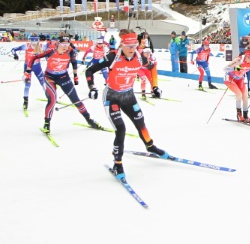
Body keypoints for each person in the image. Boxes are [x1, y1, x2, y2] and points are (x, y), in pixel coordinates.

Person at [85, 31, 169, 180]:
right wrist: (92, 87)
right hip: (112, 97)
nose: (132, 48)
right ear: (122, 45)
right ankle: (117, 163)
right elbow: (90, 70)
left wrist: (155, 87)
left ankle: (150, 147)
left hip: (128, 96)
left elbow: (152, 68)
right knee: (121, 129)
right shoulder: (112, 57)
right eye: (129, 45)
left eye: (134, 45)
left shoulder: (139, 57)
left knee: (140, 122)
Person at [30, 36, 101, 133]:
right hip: (49, 77)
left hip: (64, 77)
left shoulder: (70, 51)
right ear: (58, 44)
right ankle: (47, 123)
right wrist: (27, 71)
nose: (65, 46)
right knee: (52, 99)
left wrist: (75, 76)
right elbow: (34, 57)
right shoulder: (50, 51)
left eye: (67, 44)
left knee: (76, 100)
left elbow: (74, 62)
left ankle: (89, 120)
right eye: (63, 44)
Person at [11, 35, 47, 110]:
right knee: (27, 84)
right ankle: (25, 102)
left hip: (37, 67)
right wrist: (15, 55)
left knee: (43, 82)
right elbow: (13, 49)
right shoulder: (26, 46)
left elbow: (50, 52)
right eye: (32, 41)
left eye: (35, 42)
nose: (33, 44)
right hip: (28, 68)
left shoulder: (41, 46)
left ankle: (49, 98)